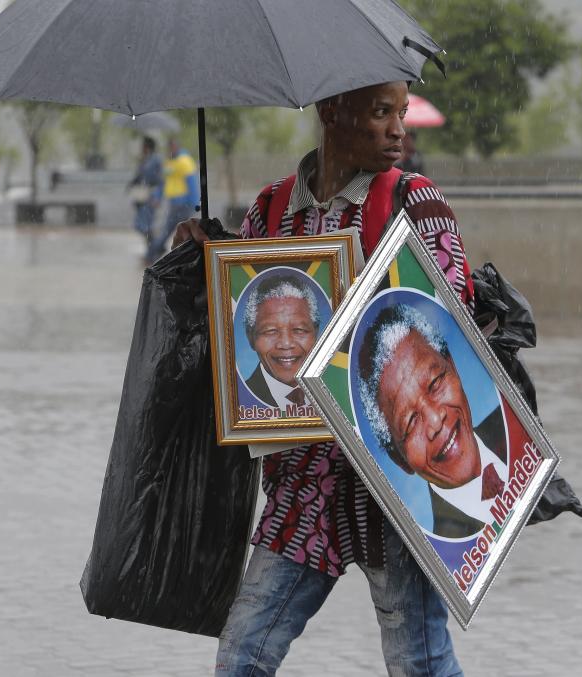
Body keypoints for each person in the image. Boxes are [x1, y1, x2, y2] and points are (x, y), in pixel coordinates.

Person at [175, 80, 473, 676]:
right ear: (332, 112)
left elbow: (452, 318)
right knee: (242, 655)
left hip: (393, 487)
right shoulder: (273, 208)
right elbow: (245, 314)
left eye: (401, 114)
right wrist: (205, 257)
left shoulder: (417, 204)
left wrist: (366, 298)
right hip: (302, 483)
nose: (398, 131)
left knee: (419, 661)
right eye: (381, 113)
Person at [358, 303, 508, 538]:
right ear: (400, 460)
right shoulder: (443, 557)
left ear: (454, 368)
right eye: (410, 422)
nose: (436, 421)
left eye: (435, 383)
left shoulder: (518, 430)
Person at [241, 274, 320, 410]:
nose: (286, 343)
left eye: (299, 330)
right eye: (271, 331)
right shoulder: (237, 401)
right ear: (251, 337)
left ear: (316, 332)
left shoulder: (338, 391)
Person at [144, 139, 199, 265]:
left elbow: (192, 184)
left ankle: (153, 253)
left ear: (177, 147)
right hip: (174, 203)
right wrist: (157, 196)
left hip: (184, 203)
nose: (171, 150)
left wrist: (195, 203)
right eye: (170, 148)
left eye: (173, 147)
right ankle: (156, 253)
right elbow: (164, 182)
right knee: (176, 231)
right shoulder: (169, 163)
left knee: (174, 230)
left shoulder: (185, 162)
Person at [127, 136, 164, 251]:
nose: (141, 148)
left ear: (147, 147)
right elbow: (139, 176)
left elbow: (160, 180)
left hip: (151, 195)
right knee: (141, 225)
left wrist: (158, 197)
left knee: (145, 225)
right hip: (142, 196)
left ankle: (154, 248)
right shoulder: (145, 159)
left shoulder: (156, 160)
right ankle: (154, 247)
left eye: (142, 146)